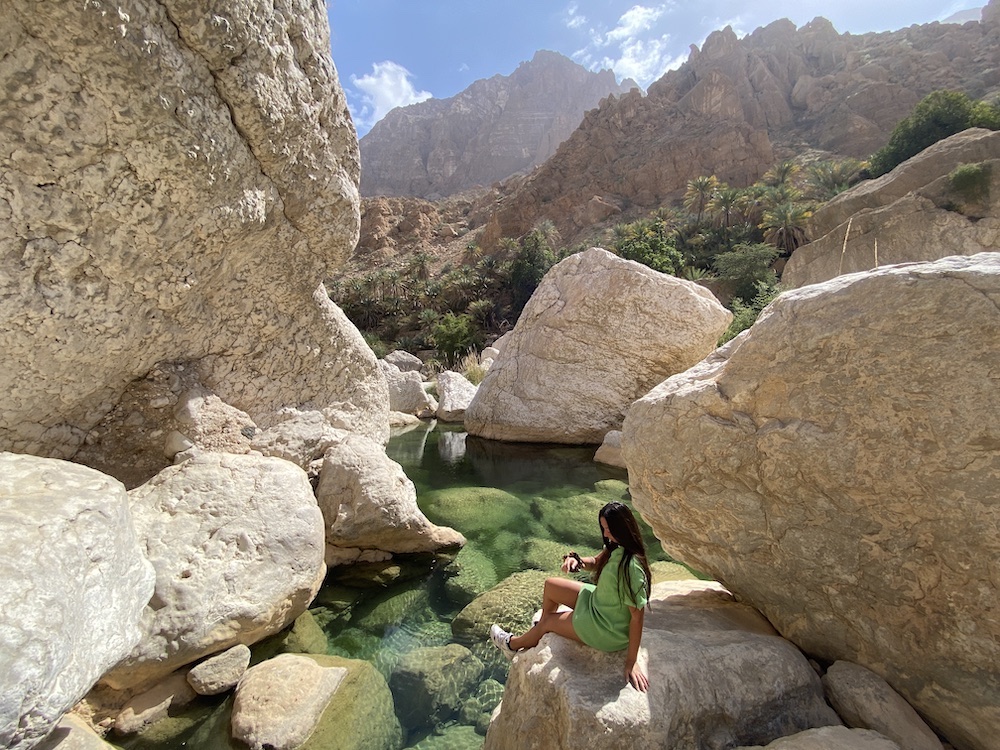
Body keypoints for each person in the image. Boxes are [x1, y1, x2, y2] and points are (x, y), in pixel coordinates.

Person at [489, 501, 652, 692]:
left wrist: (632, 661)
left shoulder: (632, 567)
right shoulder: (616, 546)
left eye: (609, 529)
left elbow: (637, 617)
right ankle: (541, 630)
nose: (606, 534)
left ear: (622, 527)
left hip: (606, 628)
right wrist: (578, 561)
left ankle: (512, 644)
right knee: (551, 585)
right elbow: (596, 562)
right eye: (604, 529)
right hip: (598, 603)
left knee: (548, 621)